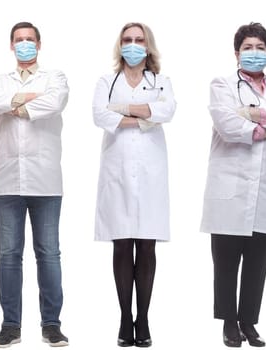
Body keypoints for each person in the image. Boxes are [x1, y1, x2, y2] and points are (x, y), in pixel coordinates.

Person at [201, 22, 266, 348]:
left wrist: (254, 114)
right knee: (227, 261)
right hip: (230, 190)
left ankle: (249, 322)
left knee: (258, 260)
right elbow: (228, 123)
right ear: (236, 53)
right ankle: (229, 323)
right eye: (248, 48)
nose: (254, 53)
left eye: (260, 48)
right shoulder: (222, 85)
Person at [0, 21, 70, 348]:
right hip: (6, 181)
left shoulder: (55, 78)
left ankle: (52, 325)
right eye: (19, 40)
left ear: (39, 44)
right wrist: (28, 98)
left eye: (30, 39)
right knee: (8, 254)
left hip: (45, 180)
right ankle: (10, 326)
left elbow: (55, 102)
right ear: (11, 45)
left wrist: (16, 104)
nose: (25, 44)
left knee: (49, 253)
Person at [92, 22, 176, 348]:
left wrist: (121, 110)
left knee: (147, 245)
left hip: (152, 170)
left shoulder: (161, 81)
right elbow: (99, 114)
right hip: (117, 169)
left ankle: (144, 319)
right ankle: (125, 319)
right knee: (122, 244)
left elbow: (167, 111)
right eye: (127, 40)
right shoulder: (106, 81)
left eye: (139, 40)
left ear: (148, 45)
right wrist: (145, 115)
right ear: (120, 44)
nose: (133, 45)